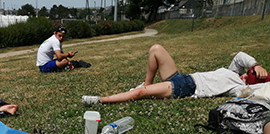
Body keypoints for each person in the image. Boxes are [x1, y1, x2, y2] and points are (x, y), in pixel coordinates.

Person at [82, 43, 270, 105]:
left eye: (249, 75)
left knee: (138, 94)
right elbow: (239, 56)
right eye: (249, 72)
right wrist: (257, 64)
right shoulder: (234, 73)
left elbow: (259, 92)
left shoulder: (240, 89)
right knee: (156, 49)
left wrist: (253, 84)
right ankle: (146, 83)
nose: (246, 74)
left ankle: (100, 100)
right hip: (183, 77)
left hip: (185, 88)